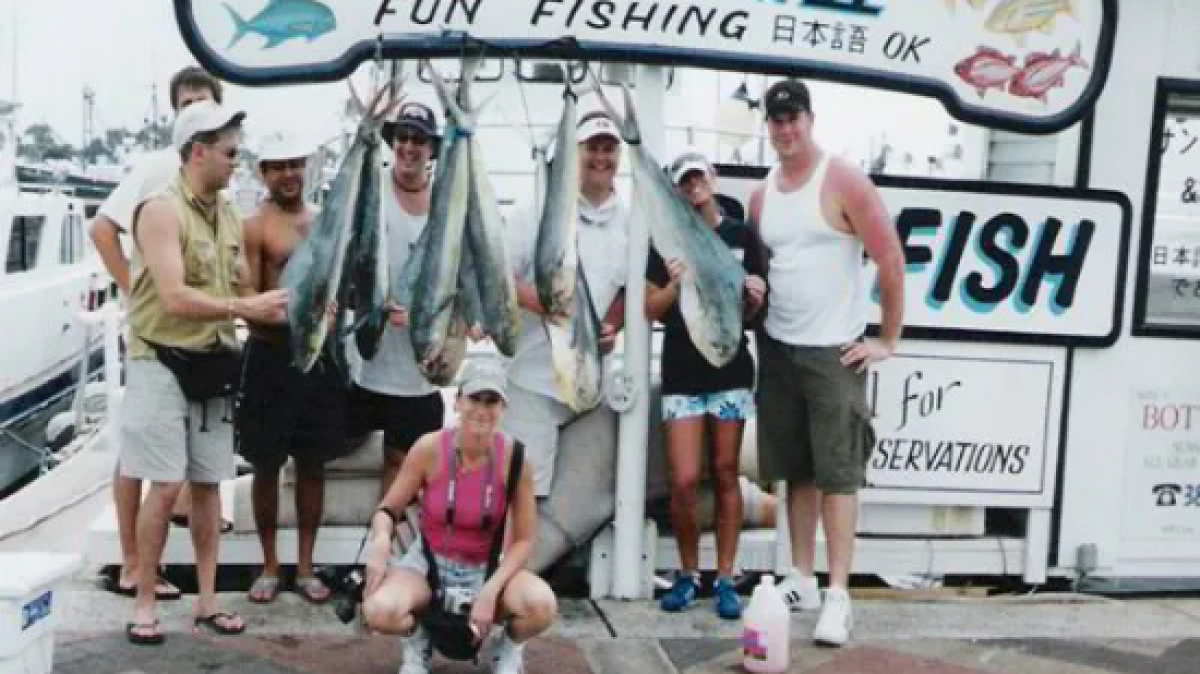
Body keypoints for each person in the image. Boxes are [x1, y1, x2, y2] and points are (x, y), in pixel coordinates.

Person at [120, 100, 289, 644]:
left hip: (212, 362)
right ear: (198, 152)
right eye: (229, 153)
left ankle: (208, 601)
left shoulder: (229, 216)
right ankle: (145, 600)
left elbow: (239, 288)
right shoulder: (160, 211)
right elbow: (172, 297)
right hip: (160, 359)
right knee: (165, 486)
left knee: (209, 487)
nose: (236, 162)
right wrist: (246, 310)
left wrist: (285, 305)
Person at [749, 78, 905, 647]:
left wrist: (886, 339)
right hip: (778, 347)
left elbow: (889, 256)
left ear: (811, 119)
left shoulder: (843, 178)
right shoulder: (761, 193)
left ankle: (839, 593)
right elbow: (765, 269)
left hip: (833, 350)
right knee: (797, 470)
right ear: (767, 126)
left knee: (840, 475)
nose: (786, 129)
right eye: (776, 120)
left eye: (794, 118)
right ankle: (803, 577)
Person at [88, 66, 228, 601]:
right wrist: (133, 287)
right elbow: (102, 229)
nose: (193, 109)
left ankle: (187, 567)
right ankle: (130, 562)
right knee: (137, 457)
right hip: (155, 341)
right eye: (185, 103)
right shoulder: (156, 168)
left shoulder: (215, 174)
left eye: (202, 101)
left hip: (200, 346)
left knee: (188, 461)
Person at [361, 359, 558, 674]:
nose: (482, 409)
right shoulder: (429, 448)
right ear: (458, 401)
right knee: (378, 611)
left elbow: (525, 540)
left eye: (491, 401)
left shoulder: (517, 459)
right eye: (474, 398)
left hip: (486, 564)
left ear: (504, 407)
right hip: (429, 562)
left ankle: (506, 648)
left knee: (541, 606)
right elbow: (388, 509)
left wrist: (491, 591)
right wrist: (381, 540)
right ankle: (416, 642)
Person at [646, 151, 766, 620]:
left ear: (712, 180)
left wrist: (754, 299)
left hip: (731, 372)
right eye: (685, 181)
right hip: (682, 373)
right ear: (676, 190)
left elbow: (754, 313)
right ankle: (689, 573)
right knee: (682, 480)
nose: (693, 186)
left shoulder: (740, 237)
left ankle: (726, 576)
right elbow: (649, 309)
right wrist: (673, 287)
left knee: (725, 472)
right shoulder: (665, 241)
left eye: (699, 177)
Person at [235, 131, 342, 605]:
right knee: (265, 466)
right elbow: (247, 302)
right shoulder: (254, 227)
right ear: (263, 173)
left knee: (313, 465)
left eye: (295, 164)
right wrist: (292, 316)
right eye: (277, 166)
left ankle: (304, 566)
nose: (288, 175)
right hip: (270, 358)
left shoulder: (325, 223)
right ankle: (270, 565)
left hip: (318, 360)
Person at [502, 109, 629, 500]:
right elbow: (500, 278)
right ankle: (518, 560)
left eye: (609, 148)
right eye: (592, 147)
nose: (601, 158)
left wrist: (612, 325)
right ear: (574, 152)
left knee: (588, 500)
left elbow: (628, 289)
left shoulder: (630, 221)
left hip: (591, 385)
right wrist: (543, 304)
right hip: (533, 383)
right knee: (526, 492)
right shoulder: (533, 211)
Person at [346, 101, 446, 498]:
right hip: (367, 365)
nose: (409, 147)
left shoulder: (445, 201)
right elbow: (348, 266)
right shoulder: (370, 190)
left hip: (418, 369)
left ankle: (385, 549)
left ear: (433, 149)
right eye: (402, 137)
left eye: (419, 139)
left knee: (405, 463)